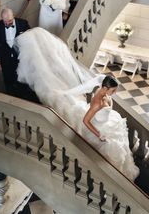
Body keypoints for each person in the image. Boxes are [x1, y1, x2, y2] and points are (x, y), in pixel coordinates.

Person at [15, 27, 139, 181]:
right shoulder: (97, 102)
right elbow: (86, 121)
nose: (113, 94)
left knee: (118, 147)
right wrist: (99, 134)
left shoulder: (102, 92)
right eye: (112, 91)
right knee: (109, 152)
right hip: (97, 127)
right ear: (106, 88)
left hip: (105, 122)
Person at [0, 8, 39, 103]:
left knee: (22, 79)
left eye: (9, 21)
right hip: (5, 58)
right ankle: (11, 100)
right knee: (8, 79)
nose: (7, 24)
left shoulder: (23, 23)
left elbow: (31, 40)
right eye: (5, 21)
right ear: (2, 18)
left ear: (13, 16)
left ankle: (24, 99)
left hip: (20, 58)